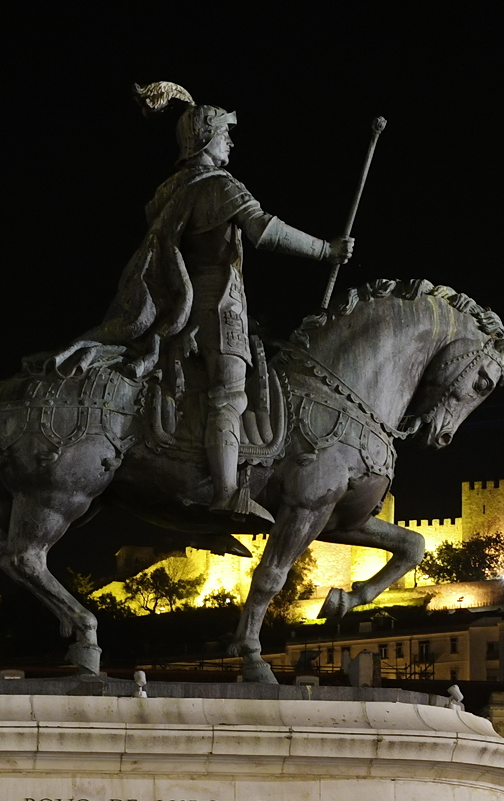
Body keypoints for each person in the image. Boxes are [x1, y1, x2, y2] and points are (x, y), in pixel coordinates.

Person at [68, 82, 353, 523]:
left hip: (178, 308)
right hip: (218, 307)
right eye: (225, 133)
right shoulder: (218, 185)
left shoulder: (170, 190)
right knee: (229, 394)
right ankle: (225, 491)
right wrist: (325, 251)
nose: (231, 141)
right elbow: (262, 229)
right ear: (204, 138)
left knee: (201, 392)